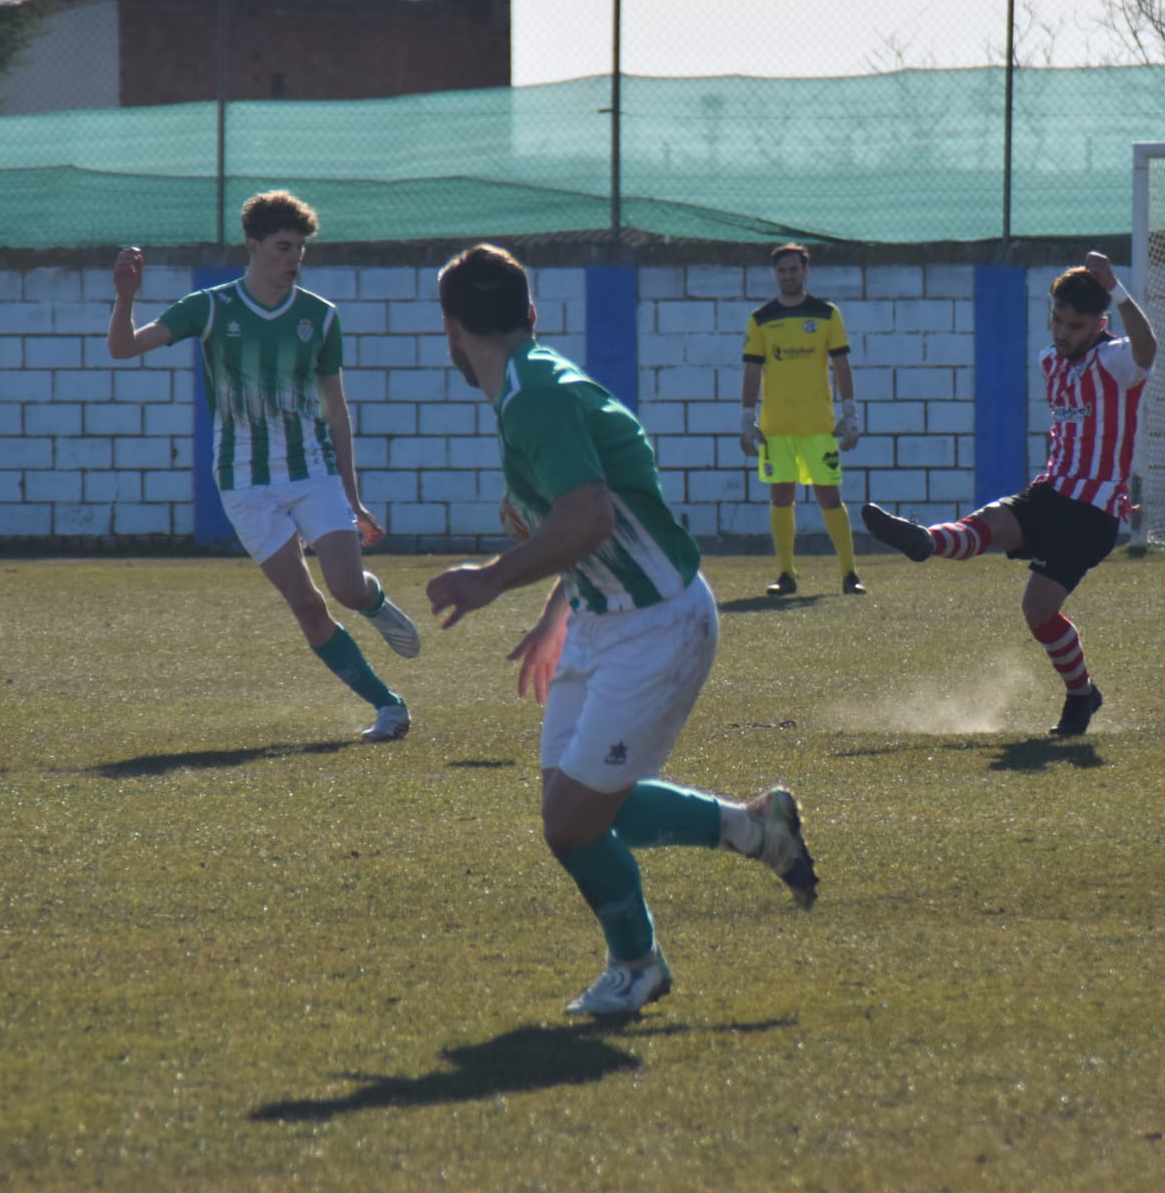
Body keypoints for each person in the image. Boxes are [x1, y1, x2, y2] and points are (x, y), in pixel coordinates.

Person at [425, 243, 818, 1019]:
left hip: (656, 626)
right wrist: (551, 621)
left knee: (574, 820)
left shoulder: (533, 395)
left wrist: (491, 578)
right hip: (606, 619)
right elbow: (589, 529)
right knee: (567, 811)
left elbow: (590, 516)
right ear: (530, 315)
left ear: (451, 329)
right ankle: (753, 829)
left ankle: (637, 964)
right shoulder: (530, 385)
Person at [106, 191, 419, 741]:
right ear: (252, 248)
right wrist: (125, 298)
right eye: (281, 247)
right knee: (307, 604)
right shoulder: (208, 308)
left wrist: (353, 496)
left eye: (299, 248)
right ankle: (389, 707)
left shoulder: (320, 318)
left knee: (346, 588)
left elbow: (337, 411)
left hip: (312, 471)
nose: (293, 258)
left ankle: (375, 602)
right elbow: (124, 348)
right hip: (244, 482)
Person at [861, 252, 1154, 737]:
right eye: (1057, 320)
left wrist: (1118, 288)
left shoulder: (1116, 359)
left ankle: (1082, 695)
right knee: (993, 520)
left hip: (1091, 514)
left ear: (1099, 324)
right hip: (1051, 491)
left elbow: (1148, 347)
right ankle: (924, 542)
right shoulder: (1050, 362)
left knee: (1038, 612)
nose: (1062, 333)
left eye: (1075, 326)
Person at [739, 243, 864, 596]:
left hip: (818, 426)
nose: (788, 275)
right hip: (776, 428)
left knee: (829, 496)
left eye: (794, 269)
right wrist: (747, 419)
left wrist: (850, 413)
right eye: (782, 270)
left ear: (805, 272)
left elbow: (841, 365)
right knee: (781, 498)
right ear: (775, 275)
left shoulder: (826, 314)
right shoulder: (761, 318)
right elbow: (752, 370)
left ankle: (850, 573)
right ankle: (786, 574)